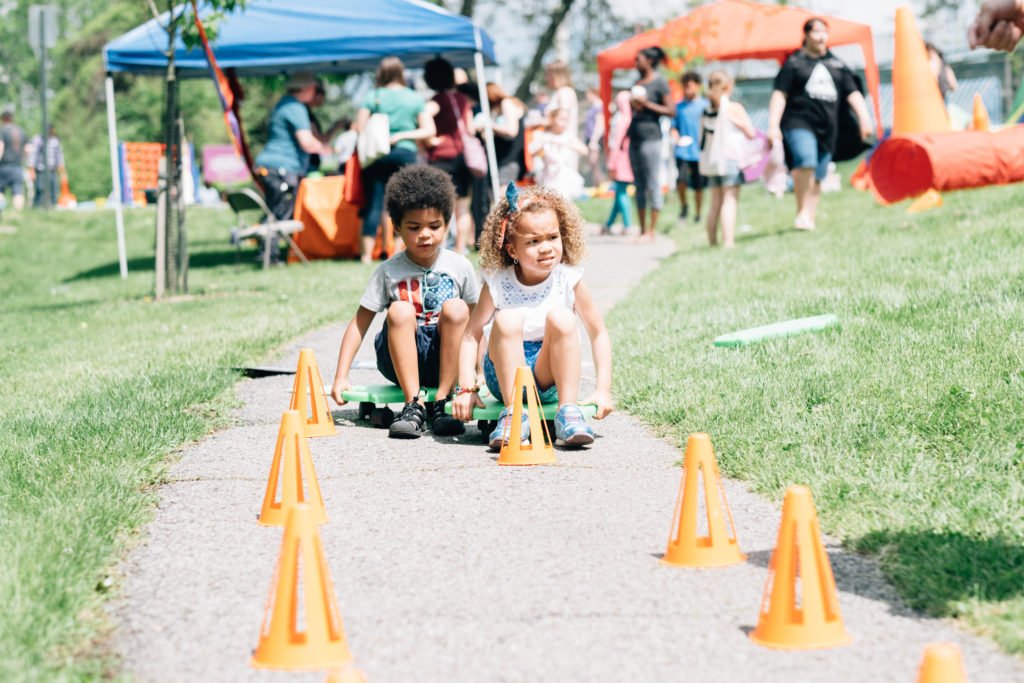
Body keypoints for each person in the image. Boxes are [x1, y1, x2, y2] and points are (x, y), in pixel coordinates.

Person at [452, 184, 613, 450]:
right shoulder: (497, 281)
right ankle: (513, 414)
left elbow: (599, 333)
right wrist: (466, 388)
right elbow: (471, 335)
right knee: (506, 319)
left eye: (552, 237)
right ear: (512, 250)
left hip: (549, 375)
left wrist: (603, 389)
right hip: (502, 374)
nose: (546, 248)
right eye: (533, 242)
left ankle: (567, 411)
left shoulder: (568, 278)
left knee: (562, 317)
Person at [329, 165, 479, 439]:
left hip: (447, 357)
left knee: (457, 307)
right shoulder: (388, 271)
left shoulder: (460, 266)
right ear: (397, 228)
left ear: (447, 224)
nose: (424, 234)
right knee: (399, 309)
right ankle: (413, 405)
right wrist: (341, 376)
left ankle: (442, 403)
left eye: (434, 226)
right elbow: (359, 324)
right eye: (414, 227)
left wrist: (476, 374)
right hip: (399, 356)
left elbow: (475, 327)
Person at [767, 18, 872, 231]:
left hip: (829, 126)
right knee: (805, 161)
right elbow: (780, 94)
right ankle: (802, 212)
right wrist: (773, 125)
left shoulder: (837, 64)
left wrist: (865, 119)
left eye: (825, 32)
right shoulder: (794, 63)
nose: (822, 36)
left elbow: (853, 93)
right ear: (805, 35)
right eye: (816, 32)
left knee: (819, 174)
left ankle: (808, 216)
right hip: (798, 121)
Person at [357, 57, 436, 264]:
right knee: (407, 205)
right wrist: (402, 135)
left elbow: (358, 127)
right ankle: (400, 250)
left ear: (380, 74)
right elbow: (429, 130)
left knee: (374, 204)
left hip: (378, 156)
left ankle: (366, 255)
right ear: (402, 73)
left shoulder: (373, 96)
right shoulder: (414, 98)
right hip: (406, 154)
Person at [254, 72, 333, 223]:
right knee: (280, 213)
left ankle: (270, 245)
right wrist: (331, 150)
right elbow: (307, 142)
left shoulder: (284, 103)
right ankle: (269, 247)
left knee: (277, 211)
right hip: (281, 168)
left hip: (271, 166)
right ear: (308, 88)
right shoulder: (295, 107)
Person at [699, 72, 757, 249]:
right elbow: (751, 133)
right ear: (728, 87)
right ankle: (728, 241)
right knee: (729, 200)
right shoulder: (733, 108)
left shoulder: (706, 110)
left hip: (712, 162)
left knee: (715, 202)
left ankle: (712, 242)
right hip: (730, 160)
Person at [424, 57, 476, 254]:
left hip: (442, 158)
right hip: (462, 156)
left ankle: (442, 249)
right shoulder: (462, 100)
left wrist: (431, 139)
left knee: (440, 207)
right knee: (462, 207)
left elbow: (426, 113)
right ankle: (460, 248)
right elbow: (469, 129)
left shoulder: (437, 100)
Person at [626, 47, 674, 242]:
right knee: (638, 185)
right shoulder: (636, 83)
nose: (636, 64)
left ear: (649, 62)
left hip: (651, 138)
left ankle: (651, 231)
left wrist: (646, 104)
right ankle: (642, 229)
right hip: (635, 138)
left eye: (639, 60)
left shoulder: (660, 82)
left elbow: (671, 110)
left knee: (652, 183)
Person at [672, 72, 707, 224]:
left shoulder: (705, 105)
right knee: (681, 180)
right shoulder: (678, 107)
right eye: (685, 86)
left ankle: (698, 214)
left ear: (698, 86)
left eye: (690, 85)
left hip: (700, 152)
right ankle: (684, 206)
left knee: (699, 186)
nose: (687, 89)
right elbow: (673, 127)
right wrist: (676, 138)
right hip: (683, 151)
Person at [529, 107, 588, 198]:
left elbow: (584, 150)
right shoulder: (543, 135)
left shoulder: (567, 136)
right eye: (561, 119)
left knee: (564, 200)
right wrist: (545, 142)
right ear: (553, 119)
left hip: (564, 174)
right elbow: (531, 150)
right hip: (548, 174)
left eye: (566, 120)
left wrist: (568, 144)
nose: (564, 123)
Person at [485, 82, 526, 187]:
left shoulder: (506, 103)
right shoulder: (497, 108)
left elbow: (511, 130)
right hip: (503, 158)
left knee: (504, 195)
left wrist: (489, 125)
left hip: (510, 158)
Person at [604, 90, 634, 235]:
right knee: (619, 191)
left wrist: (611, 163)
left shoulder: (620, 119)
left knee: (621, 191)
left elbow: (615, 143)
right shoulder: (632, 118)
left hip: (619, 158)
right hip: (629, 158)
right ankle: (608, 224)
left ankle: (628, 224)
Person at [27, 124, 65, 208]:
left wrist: (62, 171)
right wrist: (31, 169)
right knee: (40, 189)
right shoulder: (38, 139)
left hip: (52, 170)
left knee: (54, 189)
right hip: (41, 170)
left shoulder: (55, 141)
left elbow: (59, 156)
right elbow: (33, 155)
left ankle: (53, 206)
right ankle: (37, 206)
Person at [0, 108, 27, 214]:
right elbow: (28, 149)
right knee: (18, 191)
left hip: (4, 166)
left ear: (3, 118)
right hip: (17, 166)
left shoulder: (2, 130)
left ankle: (2, 212)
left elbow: (0, 147)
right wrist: (22, 160)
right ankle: (17, 216)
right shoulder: (21, 131)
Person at [583, 87, 605, 187]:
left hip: (595, 138)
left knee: (594, 162)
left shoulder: (598, 105)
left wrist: (594, 140)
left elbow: (600, 124)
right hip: (590, 137)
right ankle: (597, 184)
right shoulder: (593, 106)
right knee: (593, 163)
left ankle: (599, 185)